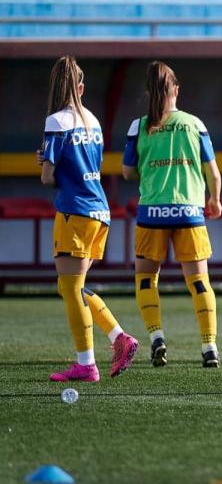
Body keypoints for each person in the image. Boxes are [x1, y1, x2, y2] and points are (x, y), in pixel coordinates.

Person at [40, 56, 138, 382]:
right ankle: (119, 338)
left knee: (70, 287)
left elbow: (48, 177)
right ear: (80, 87)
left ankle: (87, 364)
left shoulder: (56, 121)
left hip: (74, 210)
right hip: (99, 210)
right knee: (74, 287)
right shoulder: (92, 120)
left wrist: (44, 161)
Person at [122, 61, 222, 367]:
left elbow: (127, 171)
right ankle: (209, 348)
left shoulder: (138, 126)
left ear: (149, 92)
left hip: (152, 212)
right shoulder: (195, 124)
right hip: (189, 211)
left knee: (145, 280)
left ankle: (157, 338)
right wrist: (215, 200)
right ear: (176, 90)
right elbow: (214, 174)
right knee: (199, 282)